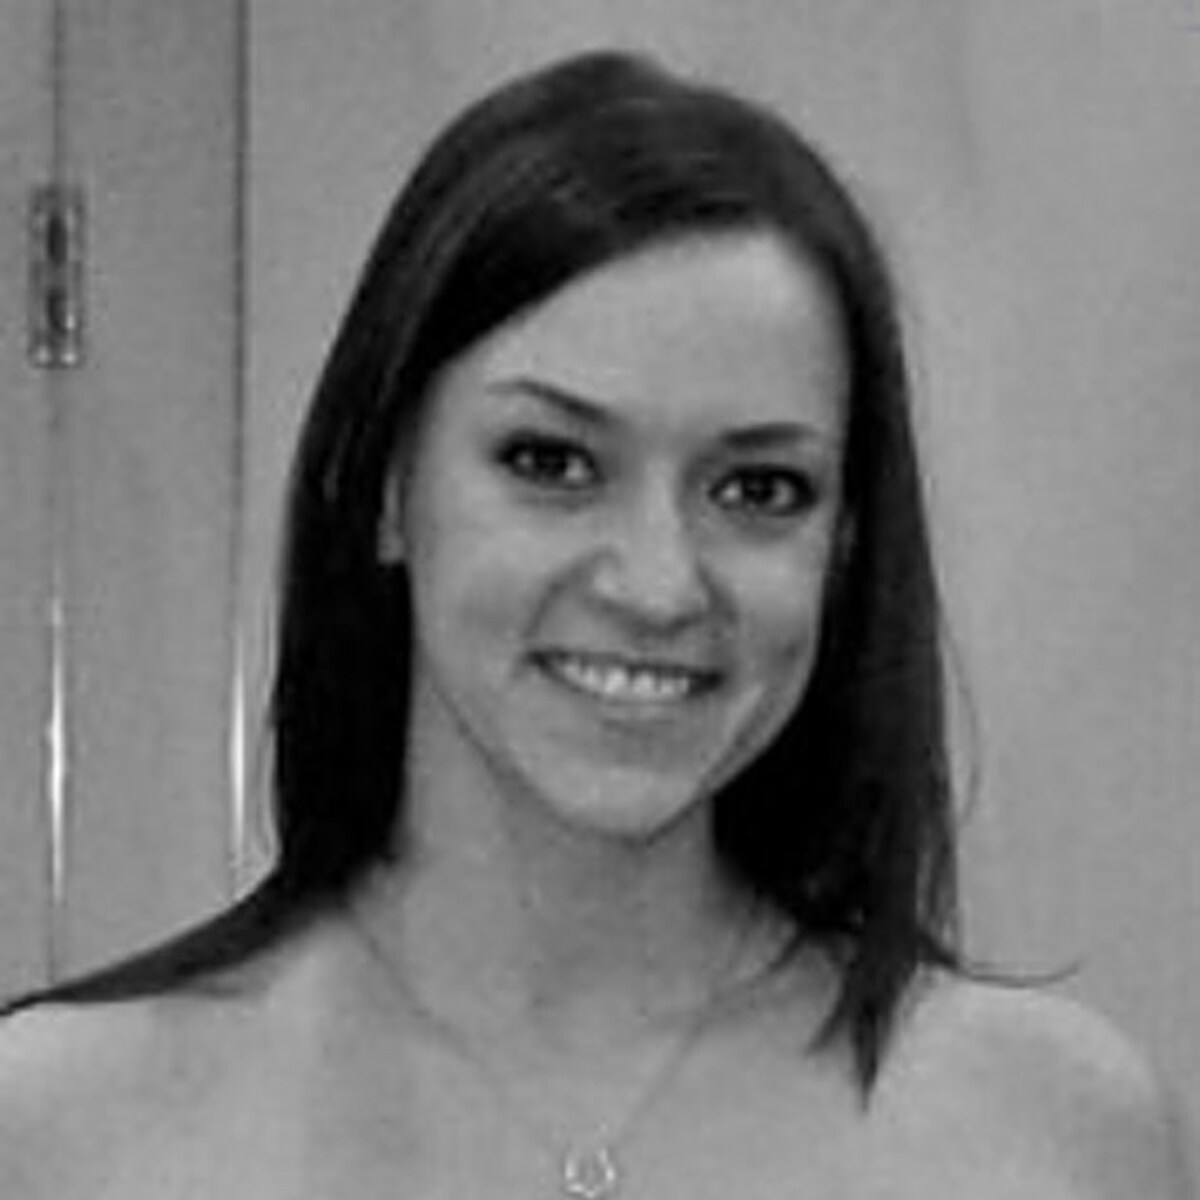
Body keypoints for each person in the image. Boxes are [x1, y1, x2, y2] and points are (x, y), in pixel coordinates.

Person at [0, 49, 1191, 1200]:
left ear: (844, 545)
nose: (659, 586)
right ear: (387, 487)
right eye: (552, 462)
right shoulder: (58, 1129)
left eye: (758, 488)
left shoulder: (1045, 1130)